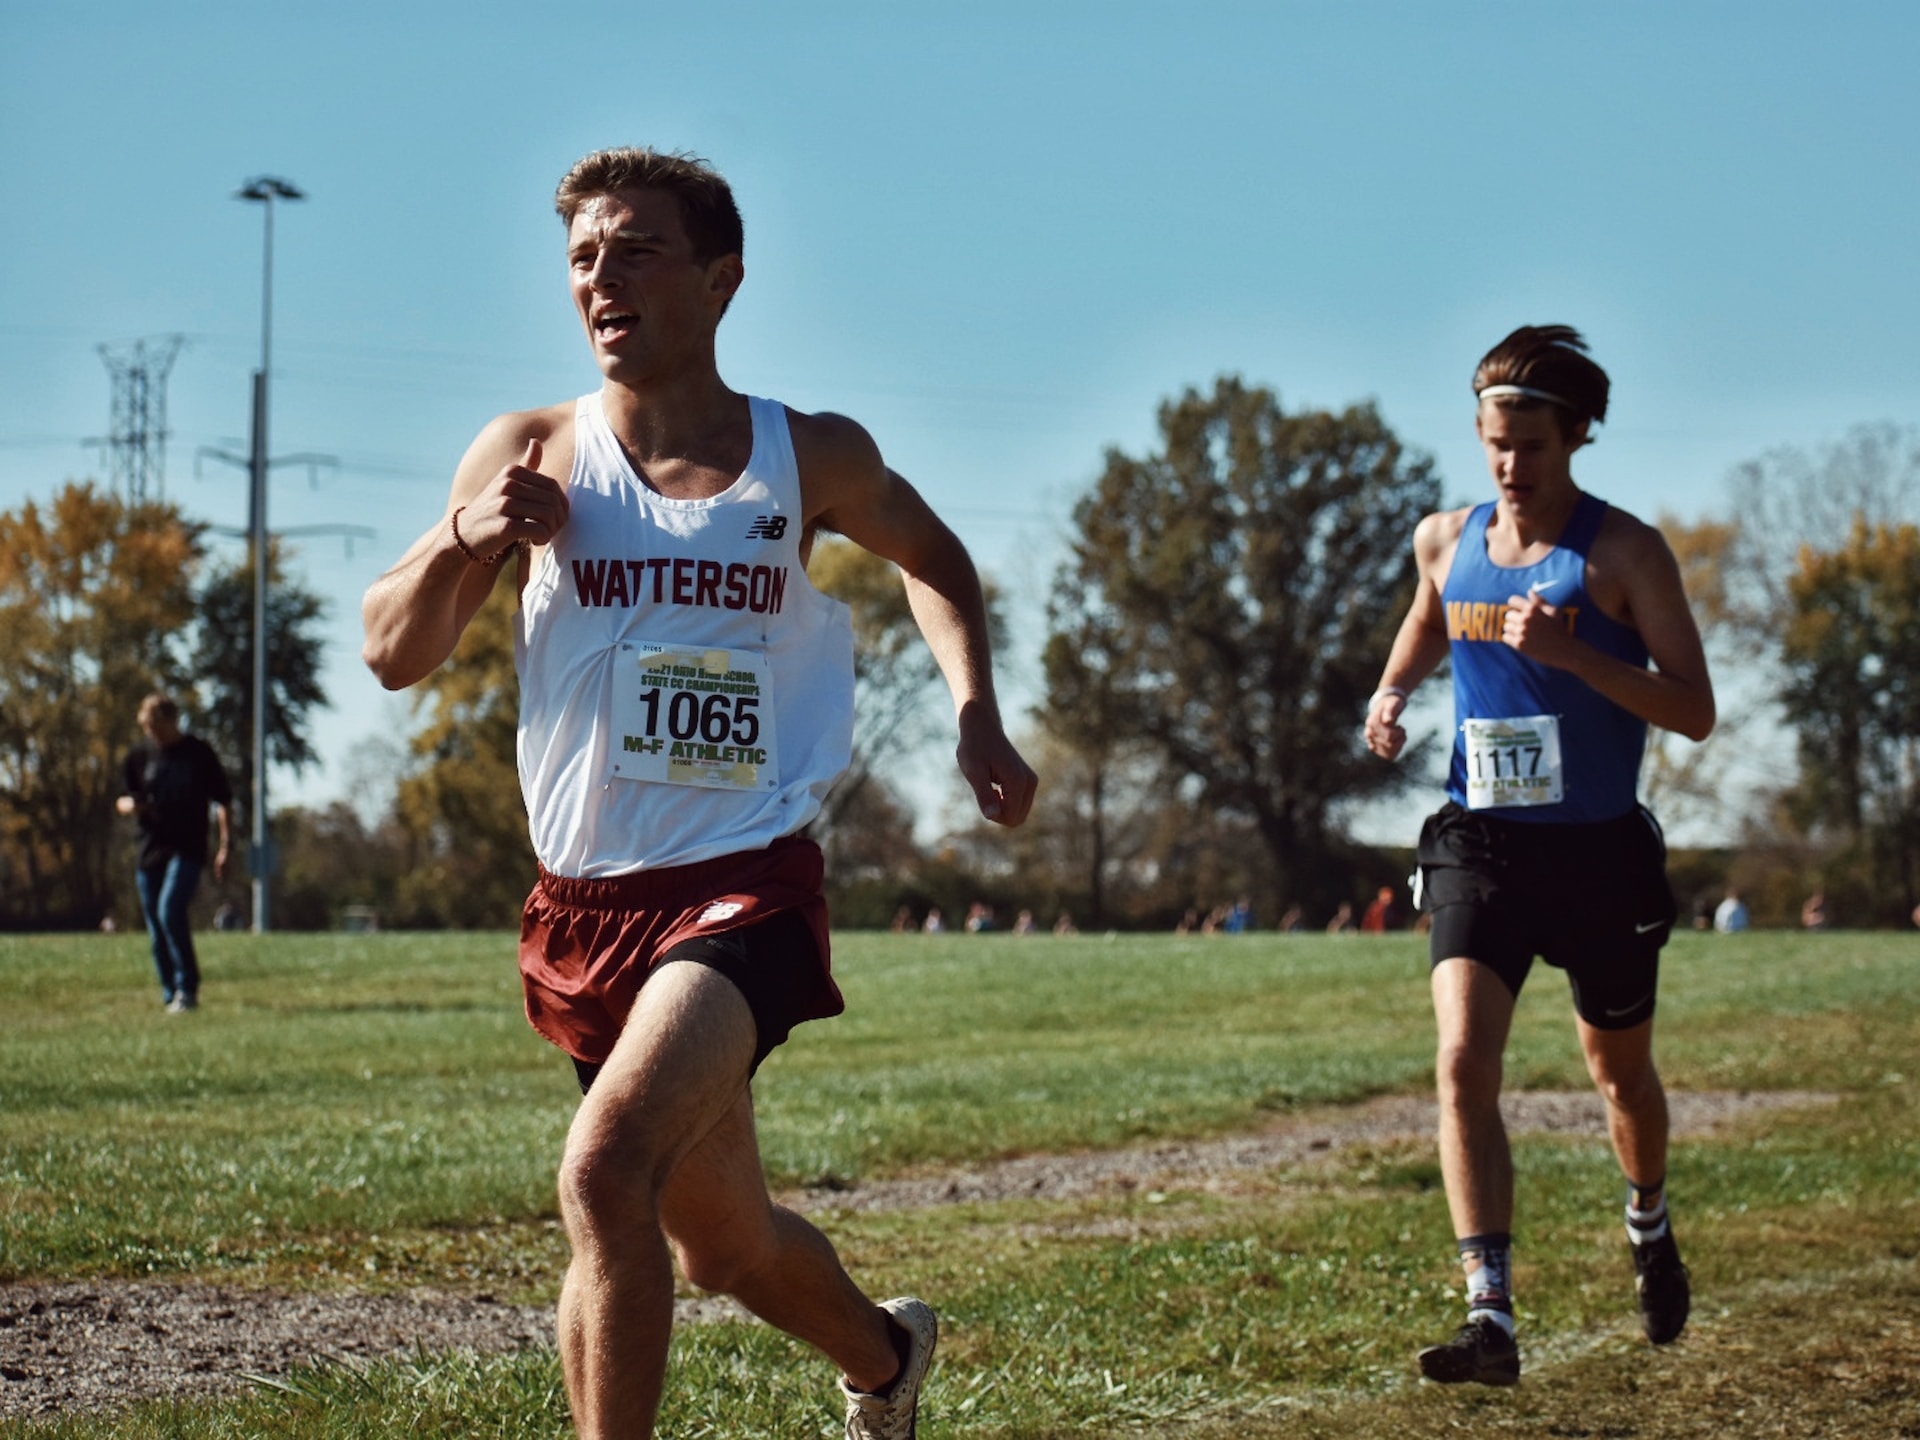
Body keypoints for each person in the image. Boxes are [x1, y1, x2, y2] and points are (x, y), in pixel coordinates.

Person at [360, 147, 1036, 1440]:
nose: (598, 279)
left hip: (743, 886)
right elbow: (393, 656)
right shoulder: (531, 450)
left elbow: (935, 556)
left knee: (605, 1174)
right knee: (719, 1247)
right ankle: (888, 1359)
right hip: (583, 906)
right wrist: (468, 535)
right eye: (580, 258)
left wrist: (975, 713)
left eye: (635, 251)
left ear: (722, 281)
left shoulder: (807, 455)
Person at [1363, 325, 1714, 1386]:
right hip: (1483, 842)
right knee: (1464, 1061)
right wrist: (1390, 693)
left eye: (1533, 446)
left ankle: (1648, 1224)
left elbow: (1694, 710)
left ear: (1579, 438)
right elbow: (1430, 619)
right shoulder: (1445, 537)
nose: (1511, 466)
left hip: (1601, 854)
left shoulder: (1623, 554)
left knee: (1620, 1078)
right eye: (1493, 443)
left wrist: (1570, 655)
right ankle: (1492, 1318)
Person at [116, 693, 233, 1012]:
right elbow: (122, 798)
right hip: (150, 849)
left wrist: (225, 845)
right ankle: (170, 993)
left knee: (170, 911)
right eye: (147, 728)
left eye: (157, 727)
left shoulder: (198, 753)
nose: (152, 734)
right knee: (156, 925)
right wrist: (131, 806)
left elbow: (223, 800)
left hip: (188, 847)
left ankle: (188, 988)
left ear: (173, 721)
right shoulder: (140, 756)